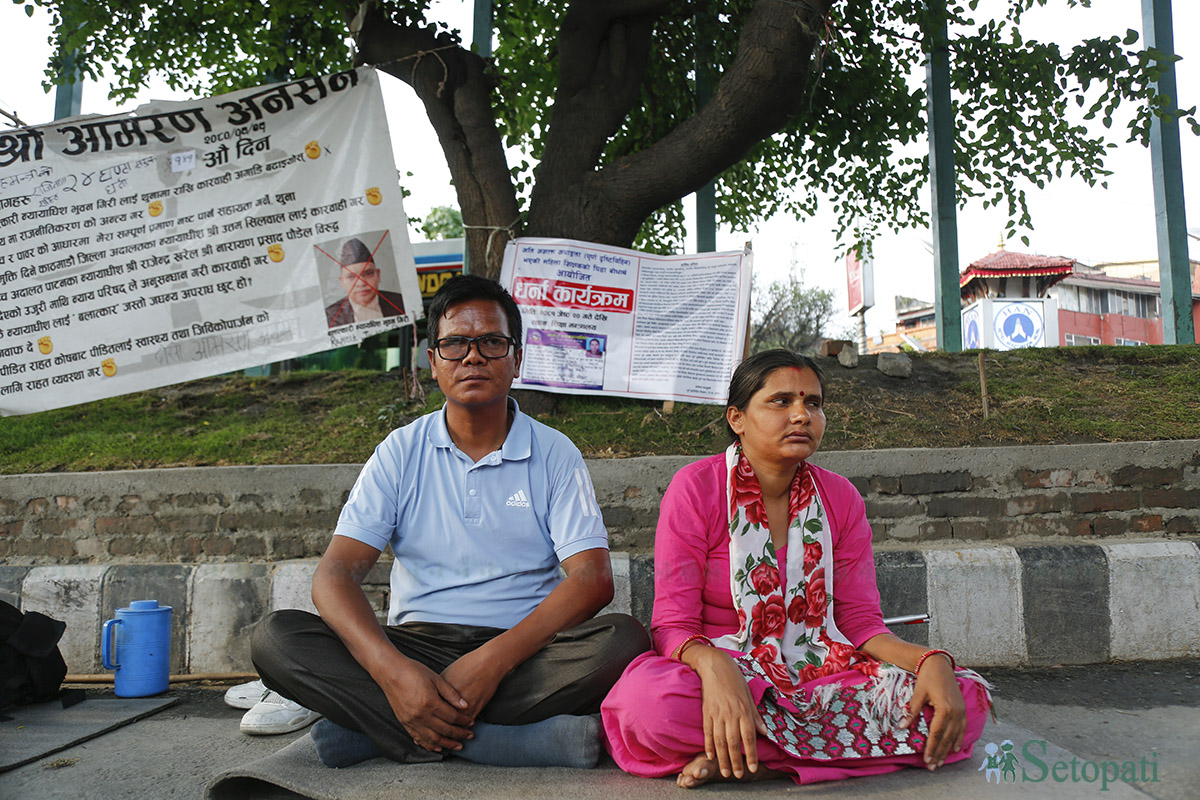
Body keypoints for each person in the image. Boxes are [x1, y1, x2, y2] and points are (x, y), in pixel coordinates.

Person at [254, 275, 649, 768]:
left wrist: (492, 661)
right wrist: (393, 673)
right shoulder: (399, 452)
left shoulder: (554, 453)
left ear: (517, 358)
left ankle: (382, 733)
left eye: (491, 342)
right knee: (276, 639)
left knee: (624, 641)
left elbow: (592, 580)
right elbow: (335, 575)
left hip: (521, 654)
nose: (473, 356)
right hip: (414, 646)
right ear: (432, 360)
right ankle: (502, 743)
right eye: (455, 343)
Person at [601, 349, 992, 788]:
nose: (802, 415)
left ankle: (753, 760)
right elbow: (672, 625)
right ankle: (804, 751)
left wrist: (928, 661)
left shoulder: (840, 498)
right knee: (648, 706)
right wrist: (715, 669)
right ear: (737, 418)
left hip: (820, 675)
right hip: (724, 676)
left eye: (813, 403)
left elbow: (860, 623)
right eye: (781, 401)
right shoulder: (696, 489)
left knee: (964, 702)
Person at [324, 237, 407, 328]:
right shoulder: (330, 316)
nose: (361, 283)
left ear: (378, 275)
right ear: (342, 281)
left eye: (368, 274)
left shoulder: (401, 303)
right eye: (351, 277)